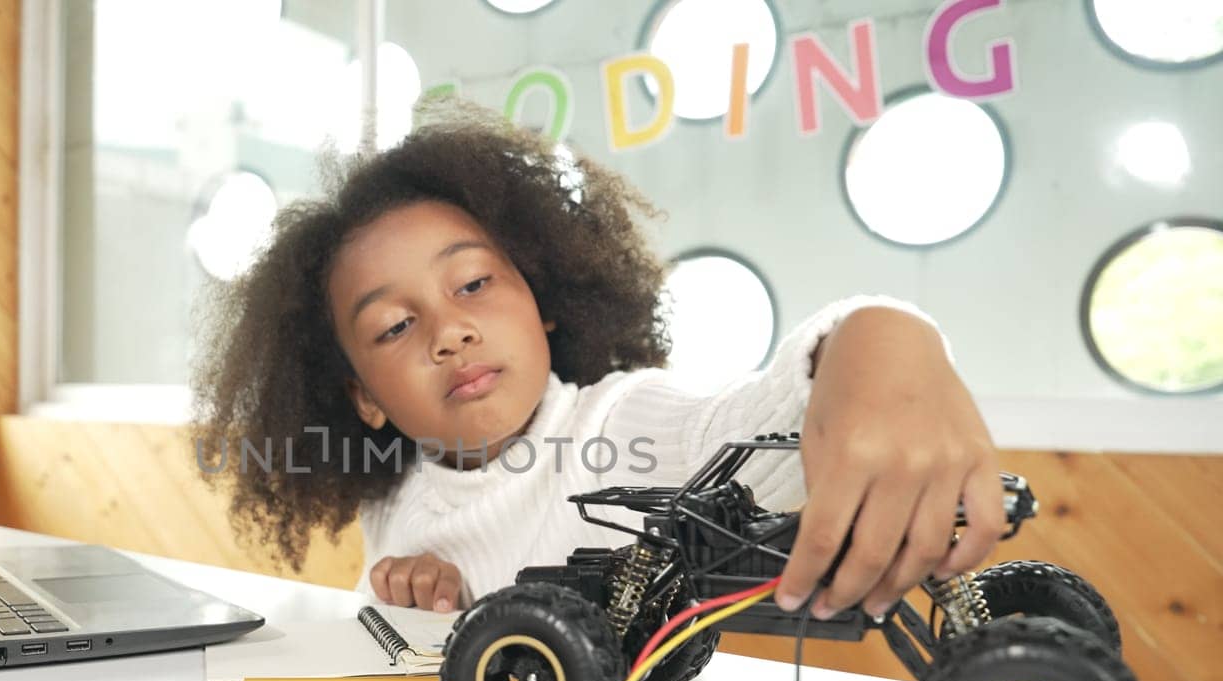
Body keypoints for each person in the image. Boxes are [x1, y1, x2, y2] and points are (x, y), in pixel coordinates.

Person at [191, 101, 1003, 623]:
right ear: (364, 398)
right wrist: (404, 605)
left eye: (474, 283)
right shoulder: (393, 497)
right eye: (397, 326)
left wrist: (882, 340)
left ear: (543, 303)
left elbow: (750, 427)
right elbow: (390, 661)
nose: (450, 332)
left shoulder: (623, 420)